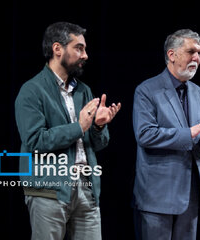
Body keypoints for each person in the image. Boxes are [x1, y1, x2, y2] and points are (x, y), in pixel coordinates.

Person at [15, 22, 121, 240]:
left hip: (86, 187)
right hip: (49, 189)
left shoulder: (84, 90)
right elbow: (35, 141)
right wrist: (79, 127)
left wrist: (99, 126)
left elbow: (99, 144)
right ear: (57, 49)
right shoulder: (32, 90)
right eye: (79, 48)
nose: (85, 55)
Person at [132, 29, 200, 240]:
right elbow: (145, 135)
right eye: (191, 51)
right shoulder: (147, 90)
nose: (197, 58)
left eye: (199, 53)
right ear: (172, 55)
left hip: (190, 197)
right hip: (157, 197)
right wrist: (188, 134)